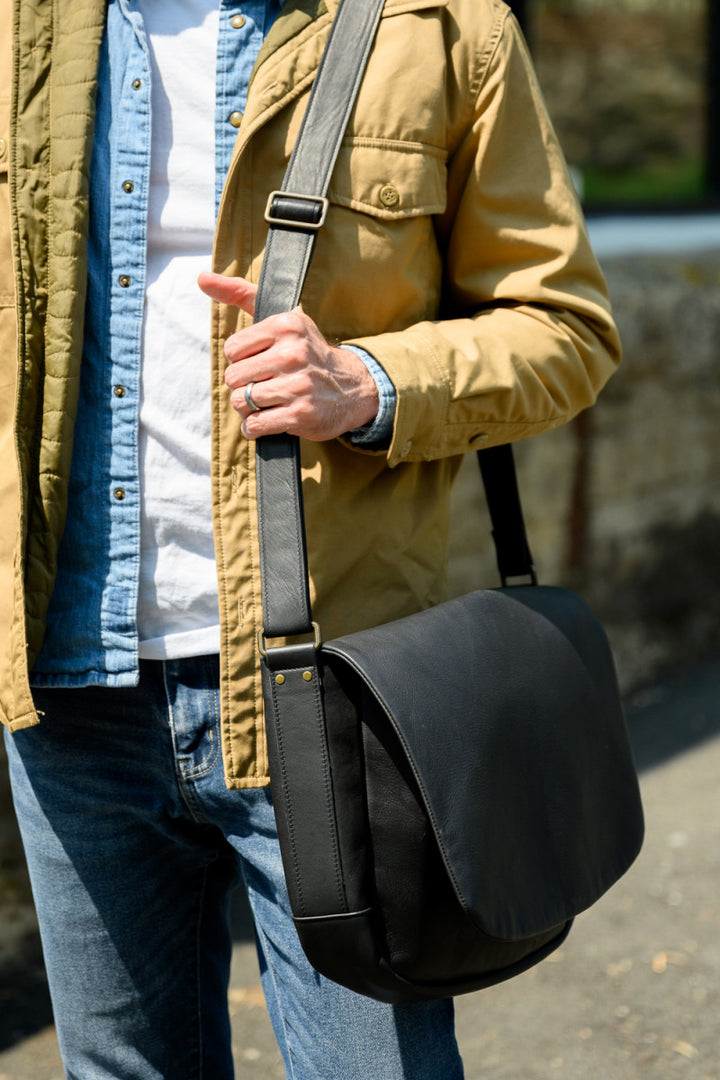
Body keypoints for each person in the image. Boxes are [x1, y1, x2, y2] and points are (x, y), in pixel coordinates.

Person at [0, 0, 621, 1076]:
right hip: (68, 689)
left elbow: (564, 326)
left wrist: (370, 383)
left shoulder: (441, 29)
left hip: (333, 689)